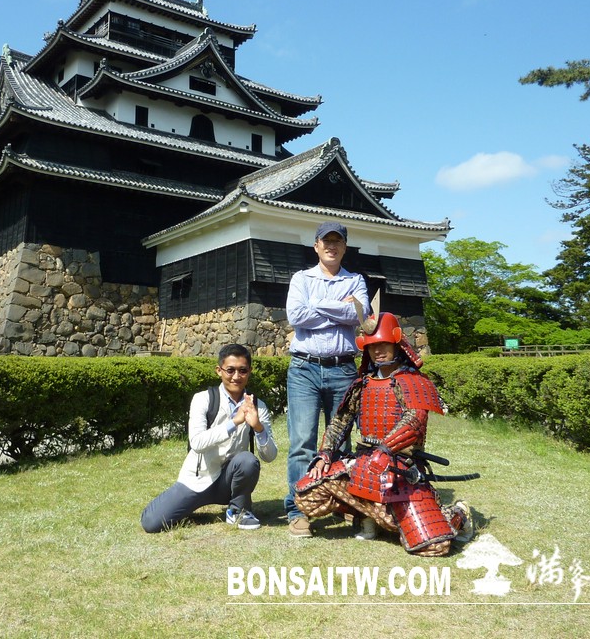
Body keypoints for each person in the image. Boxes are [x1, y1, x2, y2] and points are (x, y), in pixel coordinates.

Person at [294, 312, 472, 556]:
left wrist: (386, 449)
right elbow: (340, 422)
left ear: (397, 344)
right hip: (362, 463)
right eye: (372, 346)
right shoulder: (363, 384)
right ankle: (368, 516)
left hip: (400, 470)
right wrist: (325, 454)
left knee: (434, 546)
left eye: (383, 344)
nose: (377, 351)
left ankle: (458, 513)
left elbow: (414, 421)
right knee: (307, 494)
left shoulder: (413, 381)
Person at [284, 221, 369, 538]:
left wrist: (316, 305)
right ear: (316, 245)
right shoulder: (301, 279)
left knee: (342, 442)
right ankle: (299, 510)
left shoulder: (355, 280)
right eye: (326, 241)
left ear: (345, 247)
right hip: (304, 369)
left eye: (338, 241)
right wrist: (337, 308)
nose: (331, 246)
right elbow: (296, 316)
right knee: (302, 443)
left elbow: (360, 316)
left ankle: (342, 501)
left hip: (343, 368)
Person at [141, 344, 277, 533]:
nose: (236, 376)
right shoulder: (203, 399)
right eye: (230, 370)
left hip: (229, 482)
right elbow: (196, 442)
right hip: (198, 479)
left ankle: (238, 510)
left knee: (248, 460)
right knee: (151, 522)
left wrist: (258, 427)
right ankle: (187, 505)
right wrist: (234, 422)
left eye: (242, 370)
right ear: (219, 370)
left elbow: (270, 456)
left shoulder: (257, 406)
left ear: (249, 372)